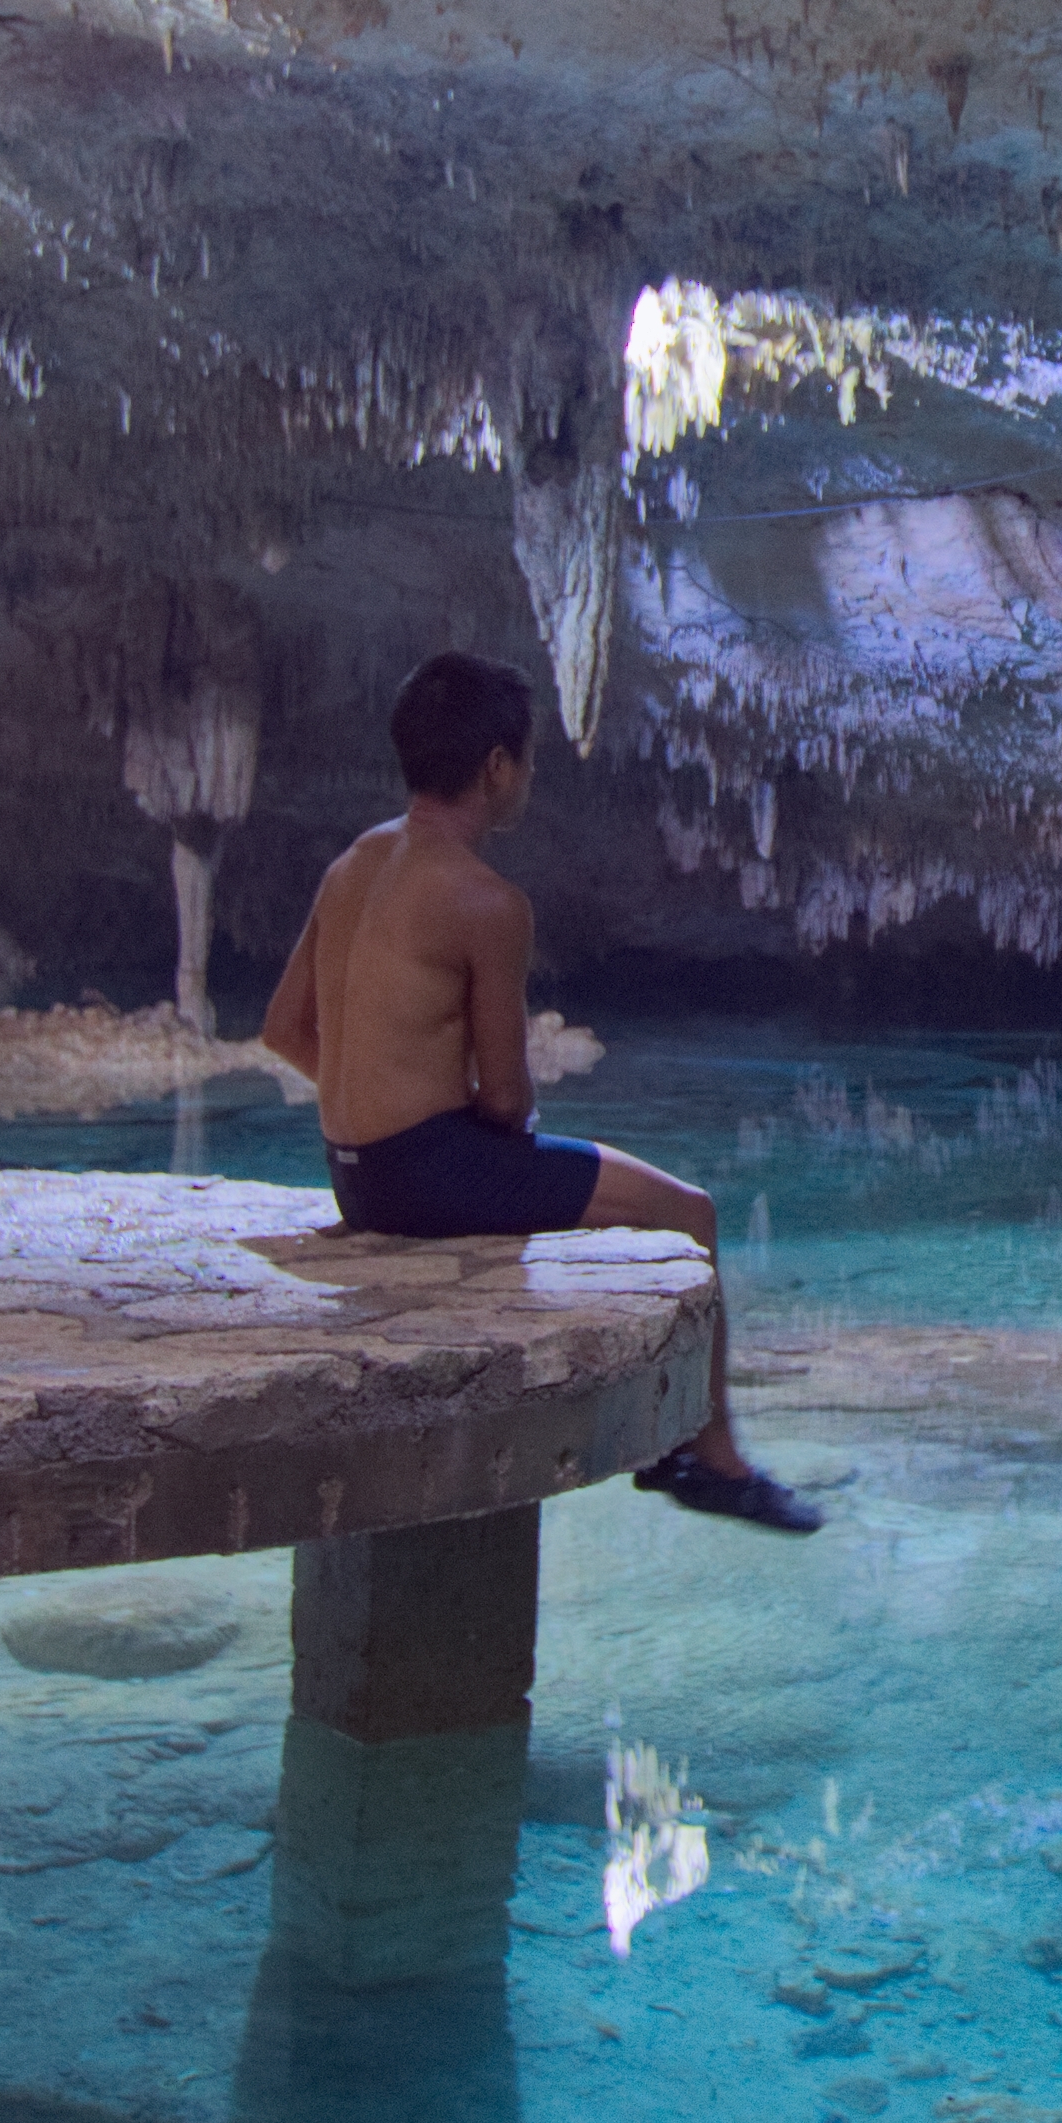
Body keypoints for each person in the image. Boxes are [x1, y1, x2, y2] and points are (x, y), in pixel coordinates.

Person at [260, 649, 820, 1534]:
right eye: (525, 761)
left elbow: (282, 1030)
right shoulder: (486, 901)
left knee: (588, 1181)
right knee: (691, 1211)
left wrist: (370, 1109)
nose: (526, 778)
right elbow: (510, 1104)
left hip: (355, 1176)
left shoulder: (352, 865)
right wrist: (449, 1133)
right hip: (429, 1178)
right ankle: (709, 1458)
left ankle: (693, 1448)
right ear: (496, 766)